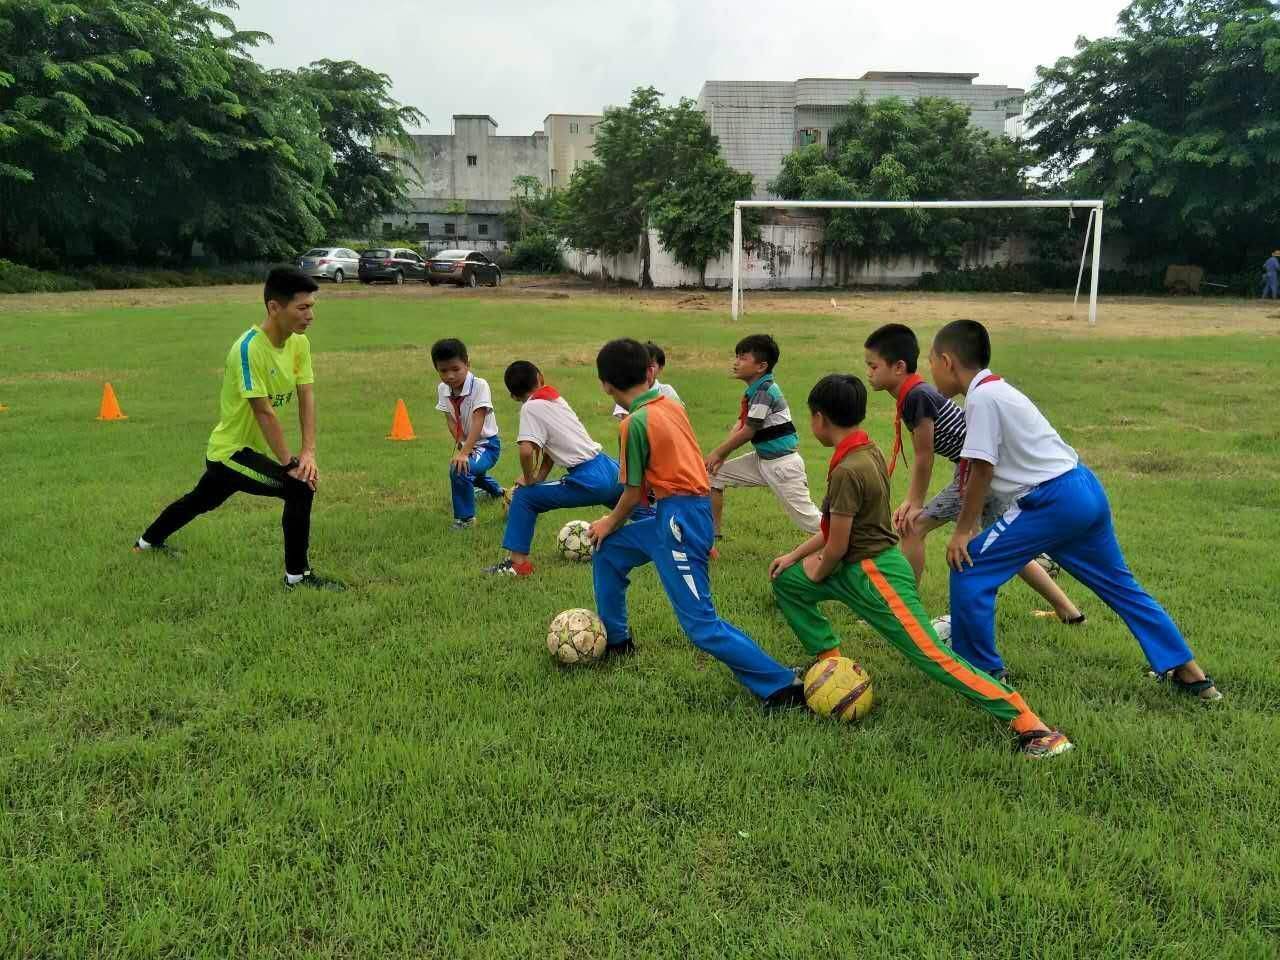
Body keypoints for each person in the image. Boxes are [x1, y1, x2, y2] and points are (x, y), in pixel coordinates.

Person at [768, 374, 1072, 757]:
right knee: (788, 582)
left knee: (933, 657)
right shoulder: (862, 450)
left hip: (875, 575)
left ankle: (1031, 724)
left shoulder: (849, 469)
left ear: (818, 419)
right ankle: (832, 664)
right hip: (851, 566)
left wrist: (817, 569)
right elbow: (834, 530)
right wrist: (795, 557)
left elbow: (837, 544)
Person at [930, 319, 1222, 701]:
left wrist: (964, 530)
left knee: (970, 568)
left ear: (948, 361)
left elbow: (982, 467)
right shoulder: (997, 390)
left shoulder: (981, 398)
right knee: (1122, 587)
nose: (930, 369)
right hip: (1083, 487)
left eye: (931, 360)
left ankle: (982, 678)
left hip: (1052, 500)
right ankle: (1193, 677)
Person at [589, 338, 804, 707]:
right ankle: (618, 642)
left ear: (605, 385)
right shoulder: (669, 403)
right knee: (608, 554)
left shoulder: (634, 424)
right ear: (650, 372)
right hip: (676, 514)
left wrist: (608, 521)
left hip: (680, 522)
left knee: (701, 625)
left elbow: (632, 493)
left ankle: (784, 687)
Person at [133, 266, 343, 590]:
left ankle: (146, 542)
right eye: (303, 307)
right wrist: (291, 463)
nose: (310, 315)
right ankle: (297, 577)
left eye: (312, 307)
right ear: (275, 307)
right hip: (230, 453)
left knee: (200, 500)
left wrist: (309, 451)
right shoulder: (247, 349)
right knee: (299, 488)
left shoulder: (298, 344)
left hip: (247, 452)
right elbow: (264, 412)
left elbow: (307, 395)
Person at [863, 323, 1082, 625]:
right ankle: (1068, 610)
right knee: (1001, 542)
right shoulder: (915, 393)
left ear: (898, 367)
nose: (869, 373)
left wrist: (914, 501)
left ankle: (903, 613)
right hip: (977, 473)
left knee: (913, 527)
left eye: (873, 366)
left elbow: (924, 457)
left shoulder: (917, 396)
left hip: (976, 475)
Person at [485, 360, 632, 577]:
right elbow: (549, 447)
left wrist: (528, 477)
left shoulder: (529, 408)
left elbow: (526, 451)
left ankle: (517, 565)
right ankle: (682, 537)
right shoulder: (555, 398)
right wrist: (541, 476)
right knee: (643, 513)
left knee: (525, 498)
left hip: (589, 477)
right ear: (541, 378)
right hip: (609, 467)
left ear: (514, 396)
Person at [705, 334, 821, 540]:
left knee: (810, 520)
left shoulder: (765, 392)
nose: (736, 362)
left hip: (782, 466)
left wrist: (718, 452)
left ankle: (850, 539)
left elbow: (748, 431)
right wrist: (721, 457)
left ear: (761, 366)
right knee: (714, 475)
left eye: (742, 358)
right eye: (737, 357)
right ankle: (713, 537)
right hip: (762, 460)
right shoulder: (755, 391)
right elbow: (740, 424)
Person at [432, 338, 504, 531]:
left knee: (460, 469)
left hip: (487, 445)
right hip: (467, 443)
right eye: (443, 370)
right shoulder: (443, 389)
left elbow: (478, 419)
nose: (450, 376)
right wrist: (460, 444)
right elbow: (449, 418)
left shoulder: (479, 385)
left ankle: (465, 520)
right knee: (468, 468)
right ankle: (497, 491)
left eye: (456, 369)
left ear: (468, 364)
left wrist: (465, 452)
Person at [612, 341, 680, 420]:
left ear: (660, 367)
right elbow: (628, 422)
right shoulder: (627, 392)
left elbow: (678, 417)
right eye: (642, 365)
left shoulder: (667, 391)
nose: (646, 371)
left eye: (651, 366)